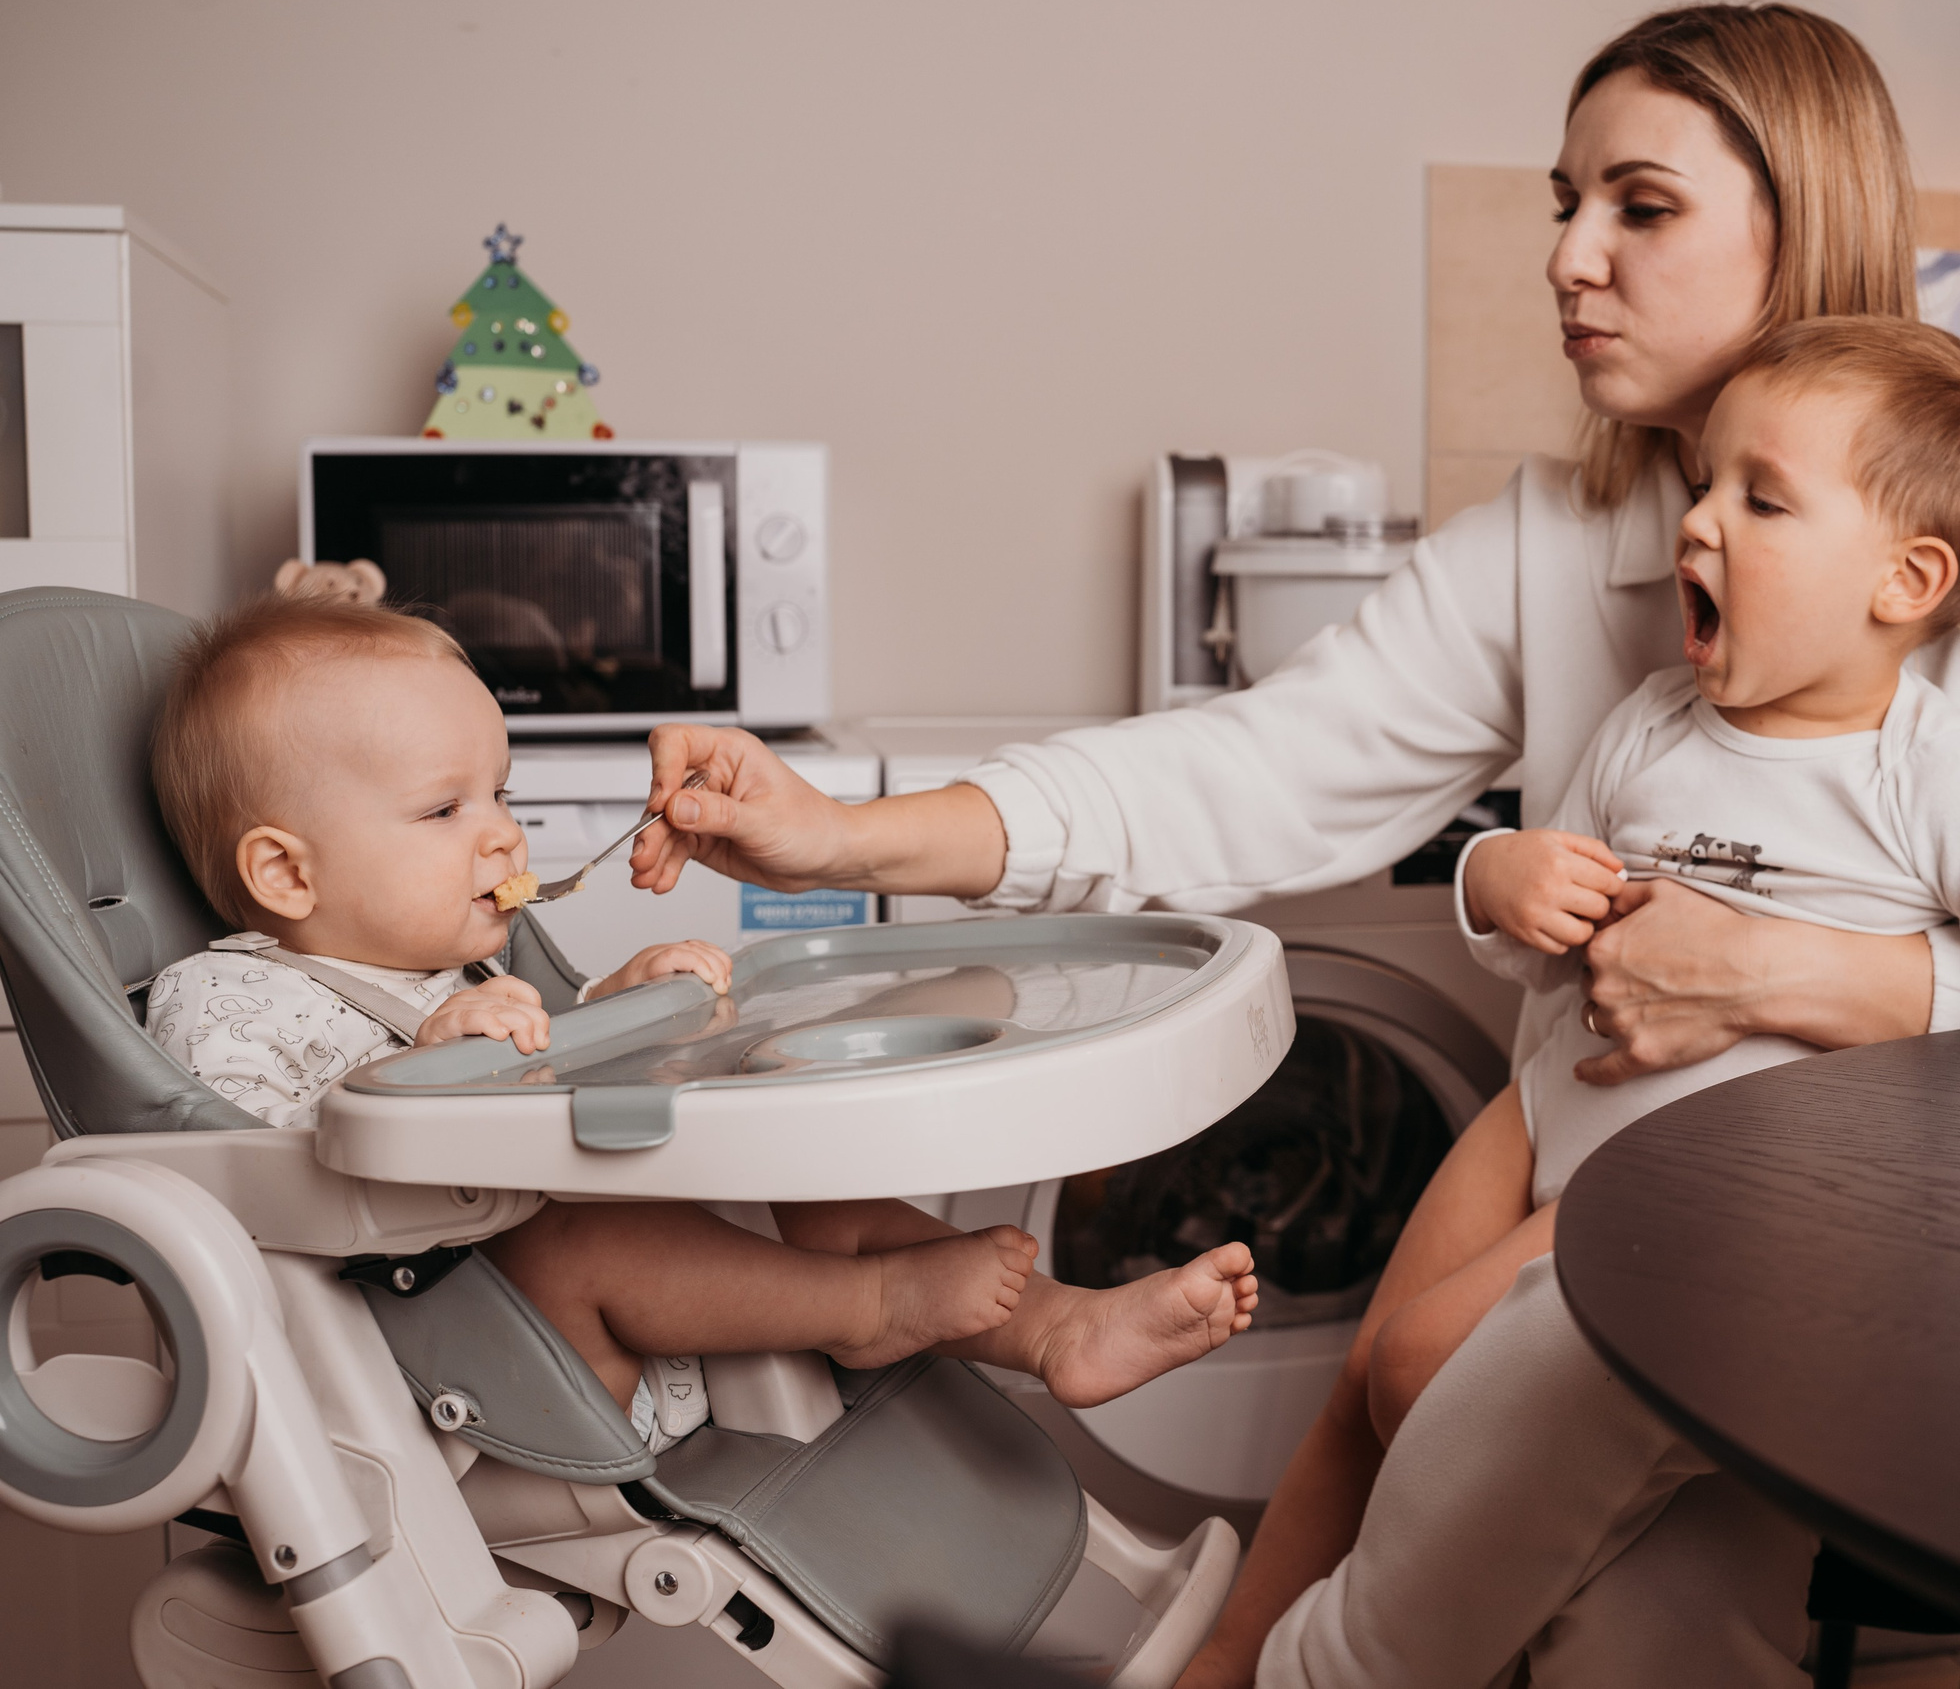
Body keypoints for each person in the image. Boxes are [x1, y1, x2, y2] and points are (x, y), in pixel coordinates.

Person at [626, 3, 1960, 1683]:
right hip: (1588, 1143)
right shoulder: (1567, 538)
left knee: (1610, 1580)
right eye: (1563, 203)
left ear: (1804, 229)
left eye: (1640, 206)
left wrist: (1804, 973)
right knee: (1393, 1387)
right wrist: (835, 834)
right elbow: (1254, 769)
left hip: (1869, 1211)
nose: (1567, 257)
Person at [144, 594, 1261, 1452]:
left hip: (585, 1315)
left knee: (815, 1180)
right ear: (285, 873)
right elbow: (254, 1180)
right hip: (447, 1366)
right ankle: (867, 1306)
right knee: (582, 1232)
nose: (502, 839)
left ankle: (1057, 1329)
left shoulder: (461, 968)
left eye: (505, 797)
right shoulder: (229, 997)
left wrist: (624, 1010)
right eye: (445, 810)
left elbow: (557, 1092)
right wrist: (425, 1073)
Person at [1362, 314, 1960, 1438]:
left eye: (1760, 500)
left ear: (1904, 580)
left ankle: (1366, 1626)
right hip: (1543, 1116)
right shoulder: (1647, 724)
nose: (1694, 521)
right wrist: (1498, 879)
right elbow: (1538, 954)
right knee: (1375, 1373)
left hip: (1699, 1176)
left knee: (1416, 1373)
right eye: (1706, 485)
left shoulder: (1942, 776)